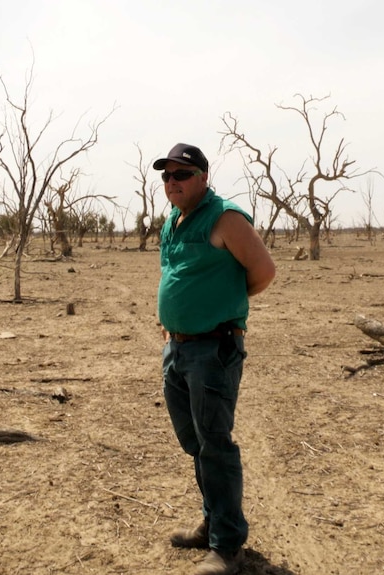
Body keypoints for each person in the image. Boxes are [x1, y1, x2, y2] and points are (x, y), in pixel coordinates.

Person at [154, 143, 276, 575]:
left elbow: (263, 272)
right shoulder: (174, 219)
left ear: (203, 177)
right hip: (178, 348)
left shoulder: (226, 217)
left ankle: (227, 547)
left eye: (181, 175)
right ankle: (212, 522)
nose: (172, 183)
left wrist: (222, 308)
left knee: (216, 444)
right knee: (195, 442)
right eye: (167, 176)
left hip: (213, 348)